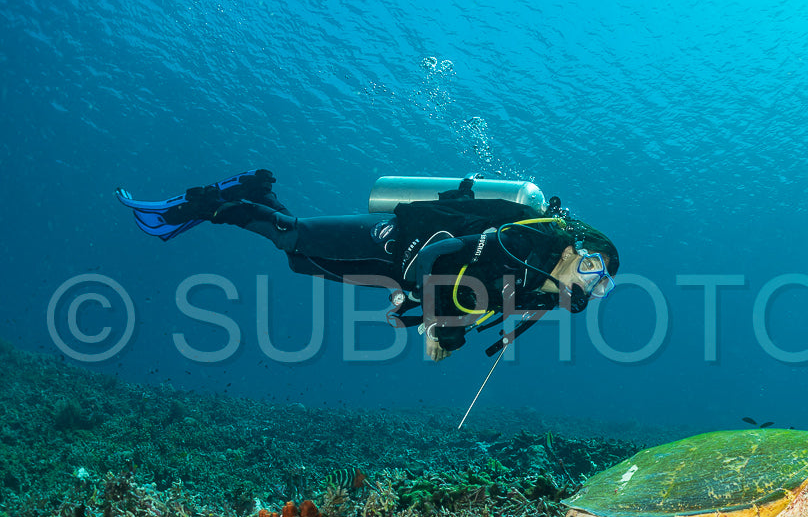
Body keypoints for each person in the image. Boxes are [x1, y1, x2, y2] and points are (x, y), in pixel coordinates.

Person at [116, 169, 619, 360]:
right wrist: (444, 331)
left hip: (393, 271)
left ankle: (259, 191)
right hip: (395, 239)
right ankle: (201, 205)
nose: (592, 284)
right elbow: (439, 256)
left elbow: (468, 301)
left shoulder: (537, 289)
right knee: (293, 236)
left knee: (299, 256)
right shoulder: (521, 245)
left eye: (603, 286)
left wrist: (423, 316)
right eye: (593, 267)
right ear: (576, 250)